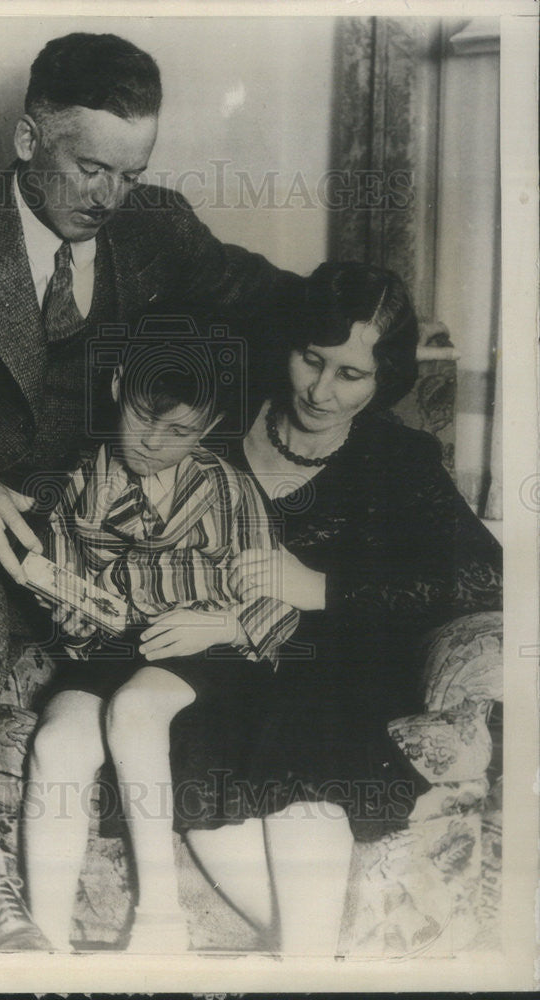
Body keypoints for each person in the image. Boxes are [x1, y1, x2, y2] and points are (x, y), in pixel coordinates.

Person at [0, 32, 302, 950]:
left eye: (129, 172)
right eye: (88, 168)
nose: (108, 197)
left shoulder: (152, 227)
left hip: (80, 539)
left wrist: (359, 344)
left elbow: (270, 299)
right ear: (29, 136)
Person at [163, 261, 502, 955]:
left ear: (384, 381)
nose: (319, 390)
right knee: (190, 751)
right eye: (309, 360)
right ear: (285, 344)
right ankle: (317, 963)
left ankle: (308, 963)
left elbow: (484, 575)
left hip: (336, 675)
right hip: (218, 668)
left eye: (351, 375)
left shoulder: (395, 458)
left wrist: (322, 587)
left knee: (299, 755)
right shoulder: (214, 431)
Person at [22, 335, 300, 953]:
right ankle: (43, 949)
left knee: (137, 709)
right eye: (144, 420)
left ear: (211, 425)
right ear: (118, 387)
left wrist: (228, 625)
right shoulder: (77, 485)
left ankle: (160, 919)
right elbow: (69, 612)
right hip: (111, 648)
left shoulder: (228, 489)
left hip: (206, 645)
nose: (154, 442)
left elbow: (278, 593)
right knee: (57, 740)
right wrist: (61, 595)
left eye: (179, 431)